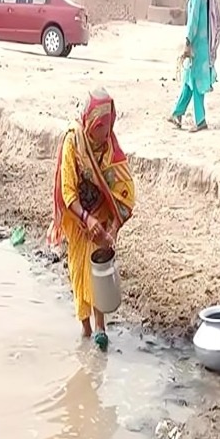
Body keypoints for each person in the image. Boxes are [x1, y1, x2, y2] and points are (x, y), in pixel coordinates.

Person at [47, 89, 136, 350]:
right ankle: (85, 328)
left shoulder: (109, 146)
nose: (106, 134)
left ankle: (100, 327)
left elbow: (124, 191)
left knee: (98, 270)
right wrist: (86, 219)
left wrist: (113, 228)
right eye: (101, 129)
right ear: (91, 124)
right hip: (78, 217)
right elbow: (68, 192)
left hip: (101, 213)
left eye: (109, 128)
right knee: (79, 271)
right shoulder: (73, 142)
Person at [169, 0, 220, 132]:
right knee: (189, 79)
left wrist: (188, 41)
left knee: (196, 80)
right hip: (204, 43)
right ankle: (177, 113)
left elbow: (193, 19)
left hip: (196, 44)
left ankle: (200, 120)